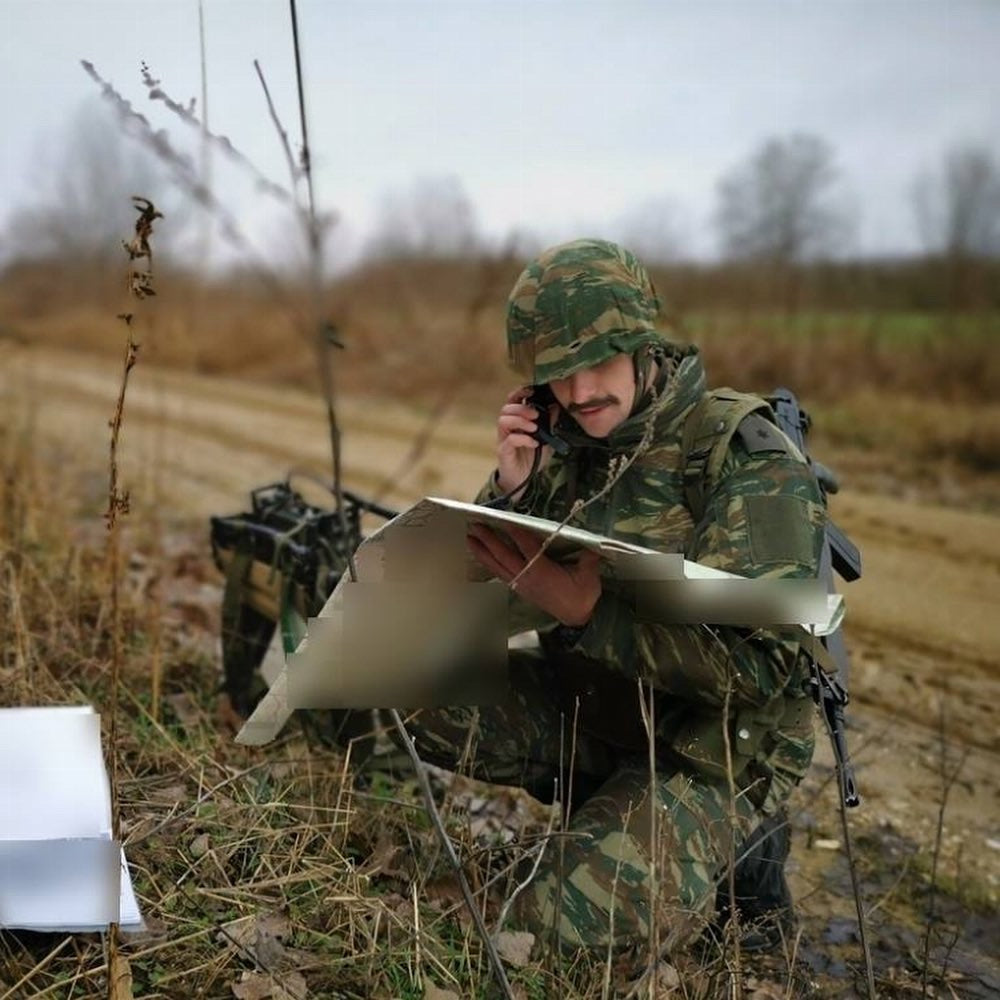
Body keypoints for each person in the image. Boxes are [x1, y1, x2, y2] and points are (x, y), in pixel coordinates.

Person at [354, 238, 825, 955]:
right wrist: (510, 491)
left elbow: (764, 671)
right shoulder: (562, 444)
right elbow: (462, 602)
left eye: (599, 361)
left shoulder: (740, 457)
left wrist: (587, 613)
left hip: (713, 749)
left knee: (527, 929)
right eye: (557, 375)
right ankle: (604, 801)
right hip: (602, 707)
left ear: (644, 342)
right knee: (413, 687)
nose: (579, 393)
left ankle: (743, 850)